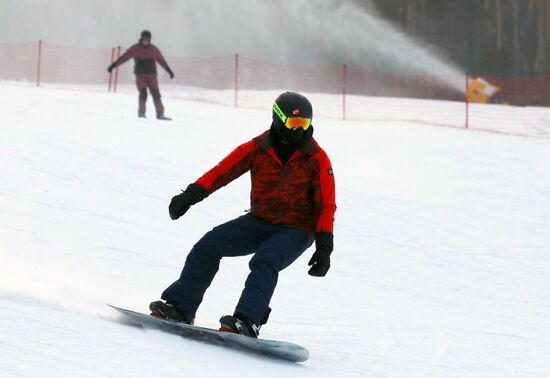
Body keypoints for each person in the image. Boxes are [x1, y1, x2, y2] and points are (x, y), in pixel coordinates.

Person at [150, 92, 336, 338]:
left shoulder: (316, 158)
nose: (299, 131)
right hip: (259, 221)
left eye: (304, 124)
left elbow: (326, 205)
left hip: (297, 228)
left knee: (266, 259)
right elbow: (222, 172)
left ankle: (248, 320)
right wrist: (191, 195)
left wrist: (324, 247)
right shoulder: (257, 148)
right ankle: (180, 306)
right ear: (278, 120)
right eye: (293, 124)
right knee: (208, 245)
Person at [107, 30, 174, 120]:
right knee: (143, 92)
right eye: (144, 39)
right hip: (140, 75)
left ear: (150, 40)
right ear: (141, 39)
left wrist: (169, 71)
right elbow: (124, 57)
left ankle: (160, 114)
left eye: (148, 40)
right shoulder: (135, 49)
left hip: (152, 75)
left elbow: (161, 61)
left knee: (156, 94)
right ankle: (141, 113)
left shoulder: (154, 50)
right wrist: (113, 66)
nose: (146, 41)